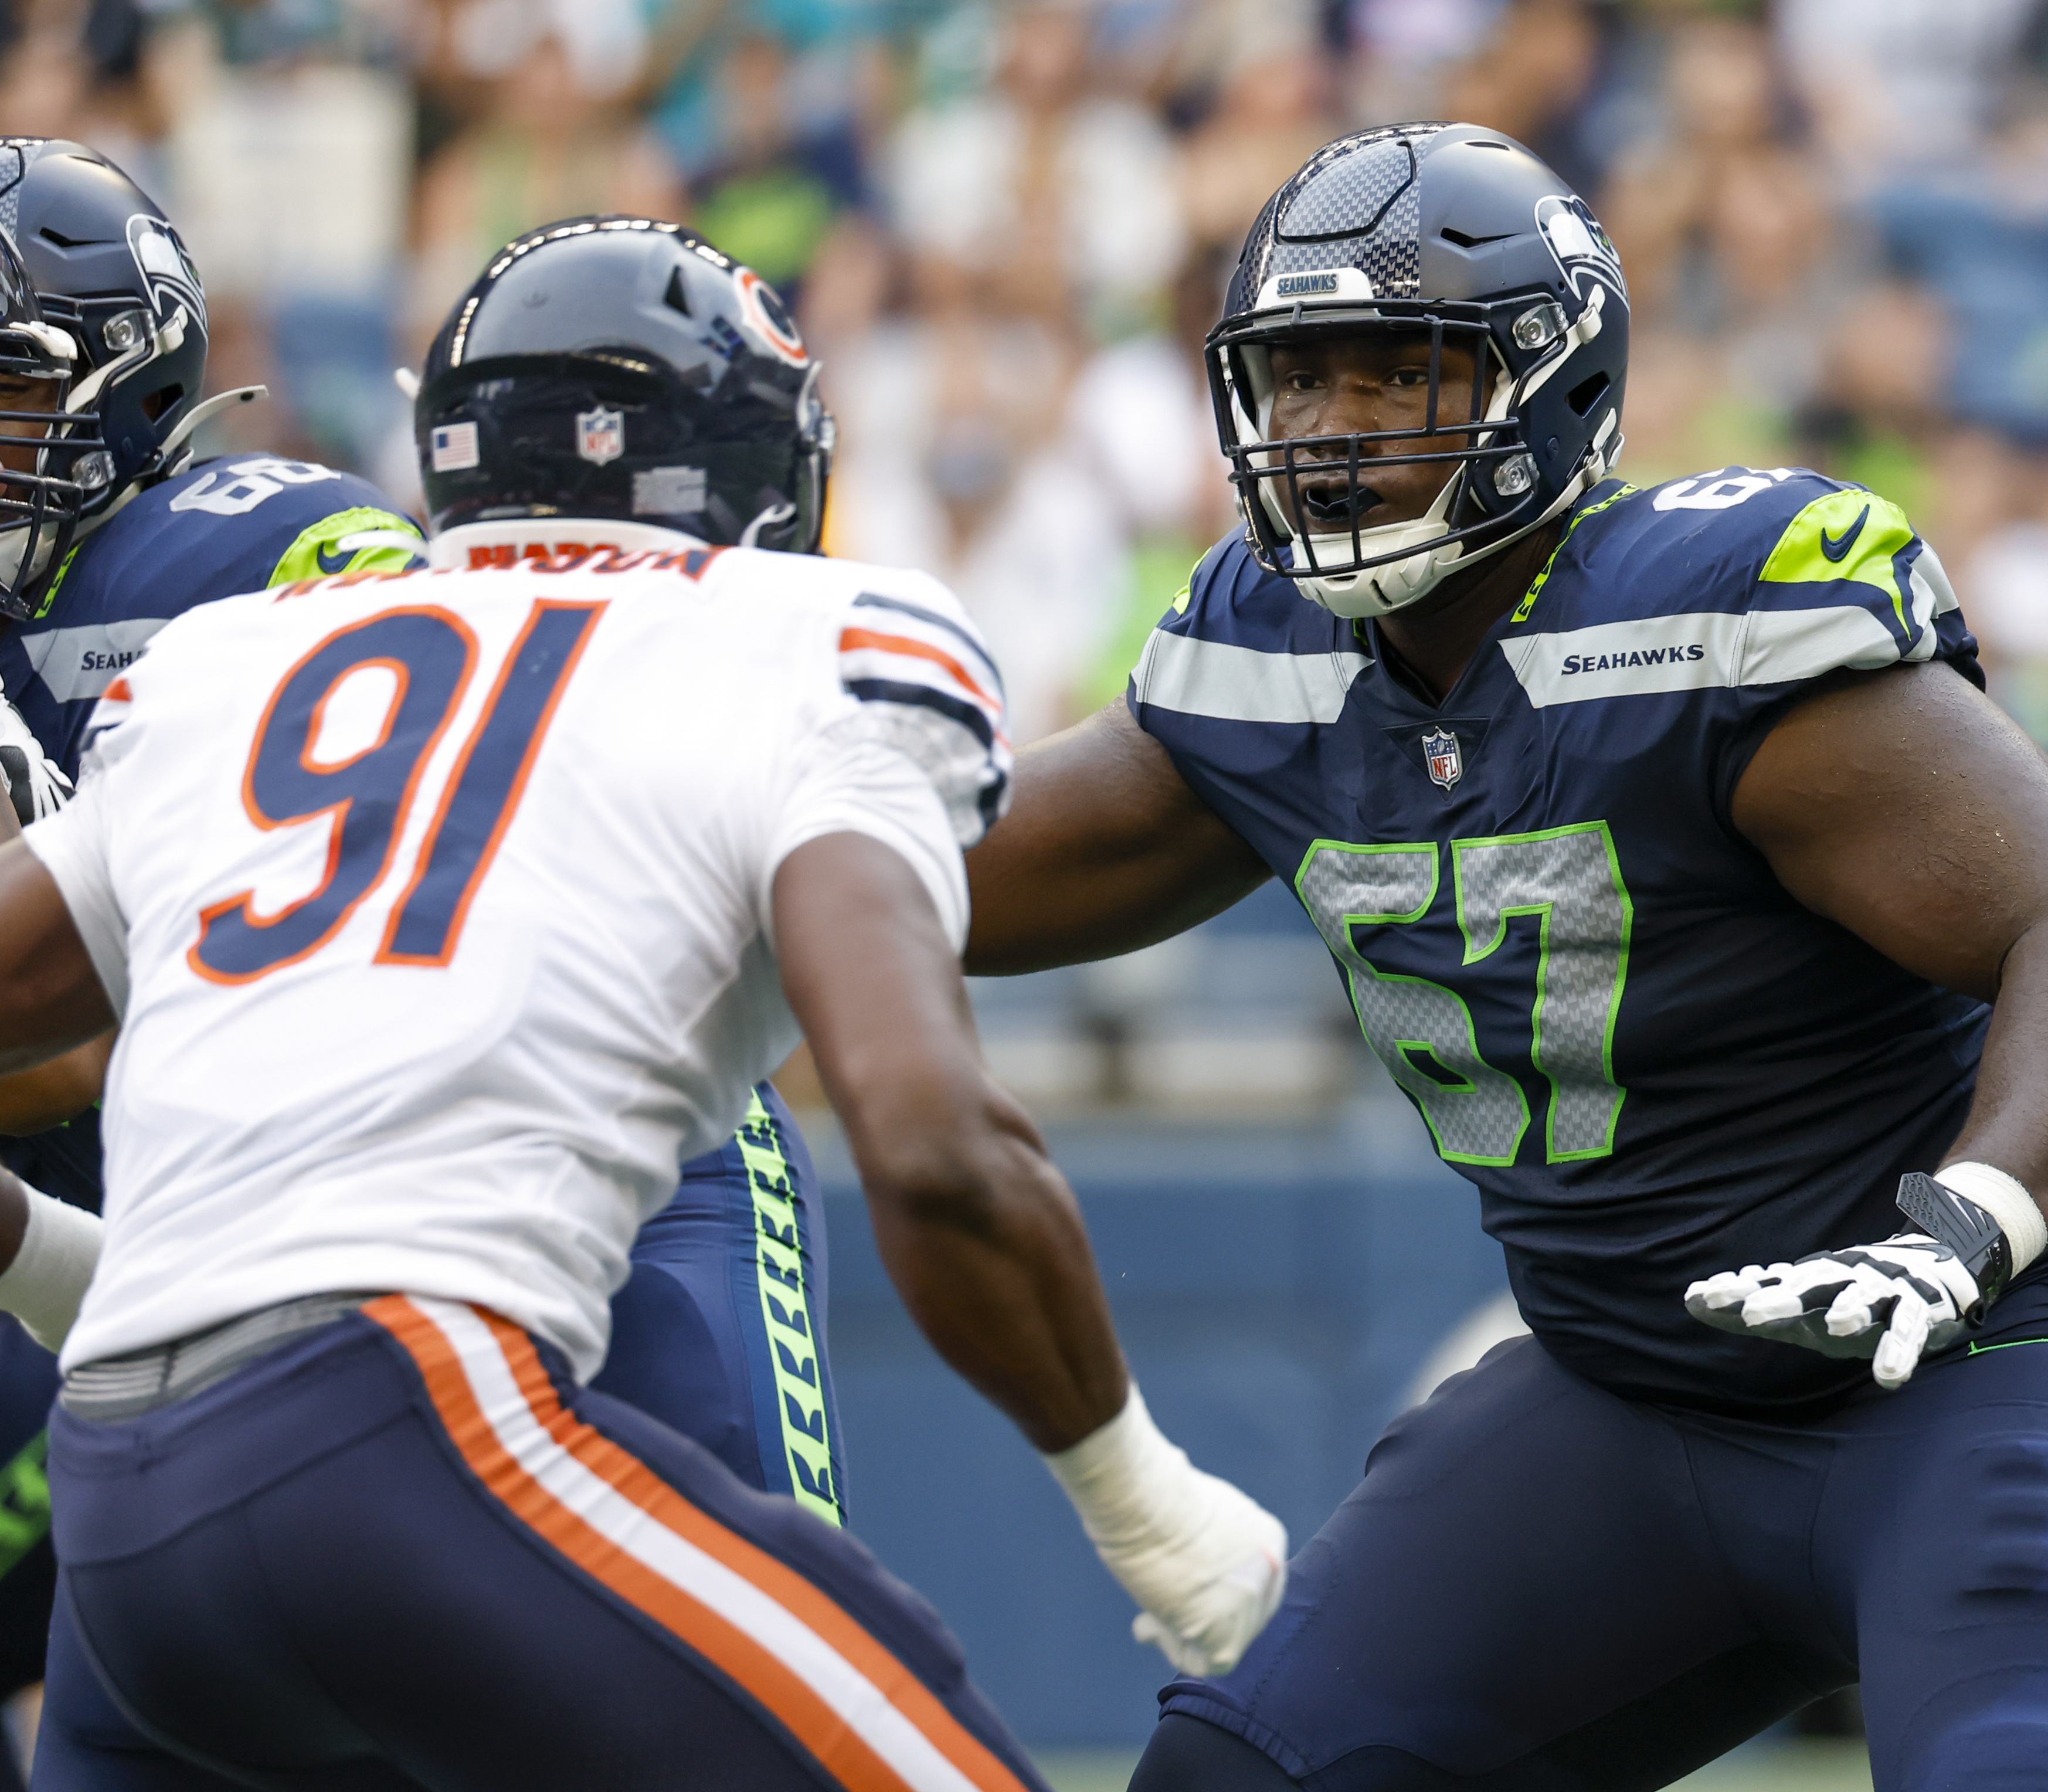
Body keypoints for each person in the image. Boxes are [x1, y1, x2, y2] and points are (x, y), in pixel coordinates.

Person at [962, 124, 2048, 1790]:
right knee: (1233, 1775)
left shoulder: (1710, 621)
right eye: (1300, 382)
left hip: (1976, 1364)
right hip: (1631, 1403)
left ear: (1547, 386)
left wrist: (1962, 1233)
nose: (1331, 436)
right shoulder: (1264, 668)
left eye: (1393, 375)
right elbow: (930, 880)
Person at [0, 212, 1288, 1788]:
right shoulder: (804, 638)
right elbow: (935, 1143)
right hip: (413, 1421)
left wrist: (51, 1255)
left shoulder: (224, 665)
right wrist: (1141, 1503)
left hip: (128, 1511)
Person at [0, 144, 870, 1788]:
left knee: (738, 1690)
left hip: (558, 1144)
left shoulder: (243, 562)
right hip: (200, 1238)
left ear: (128, 387)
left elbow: (406, 903)